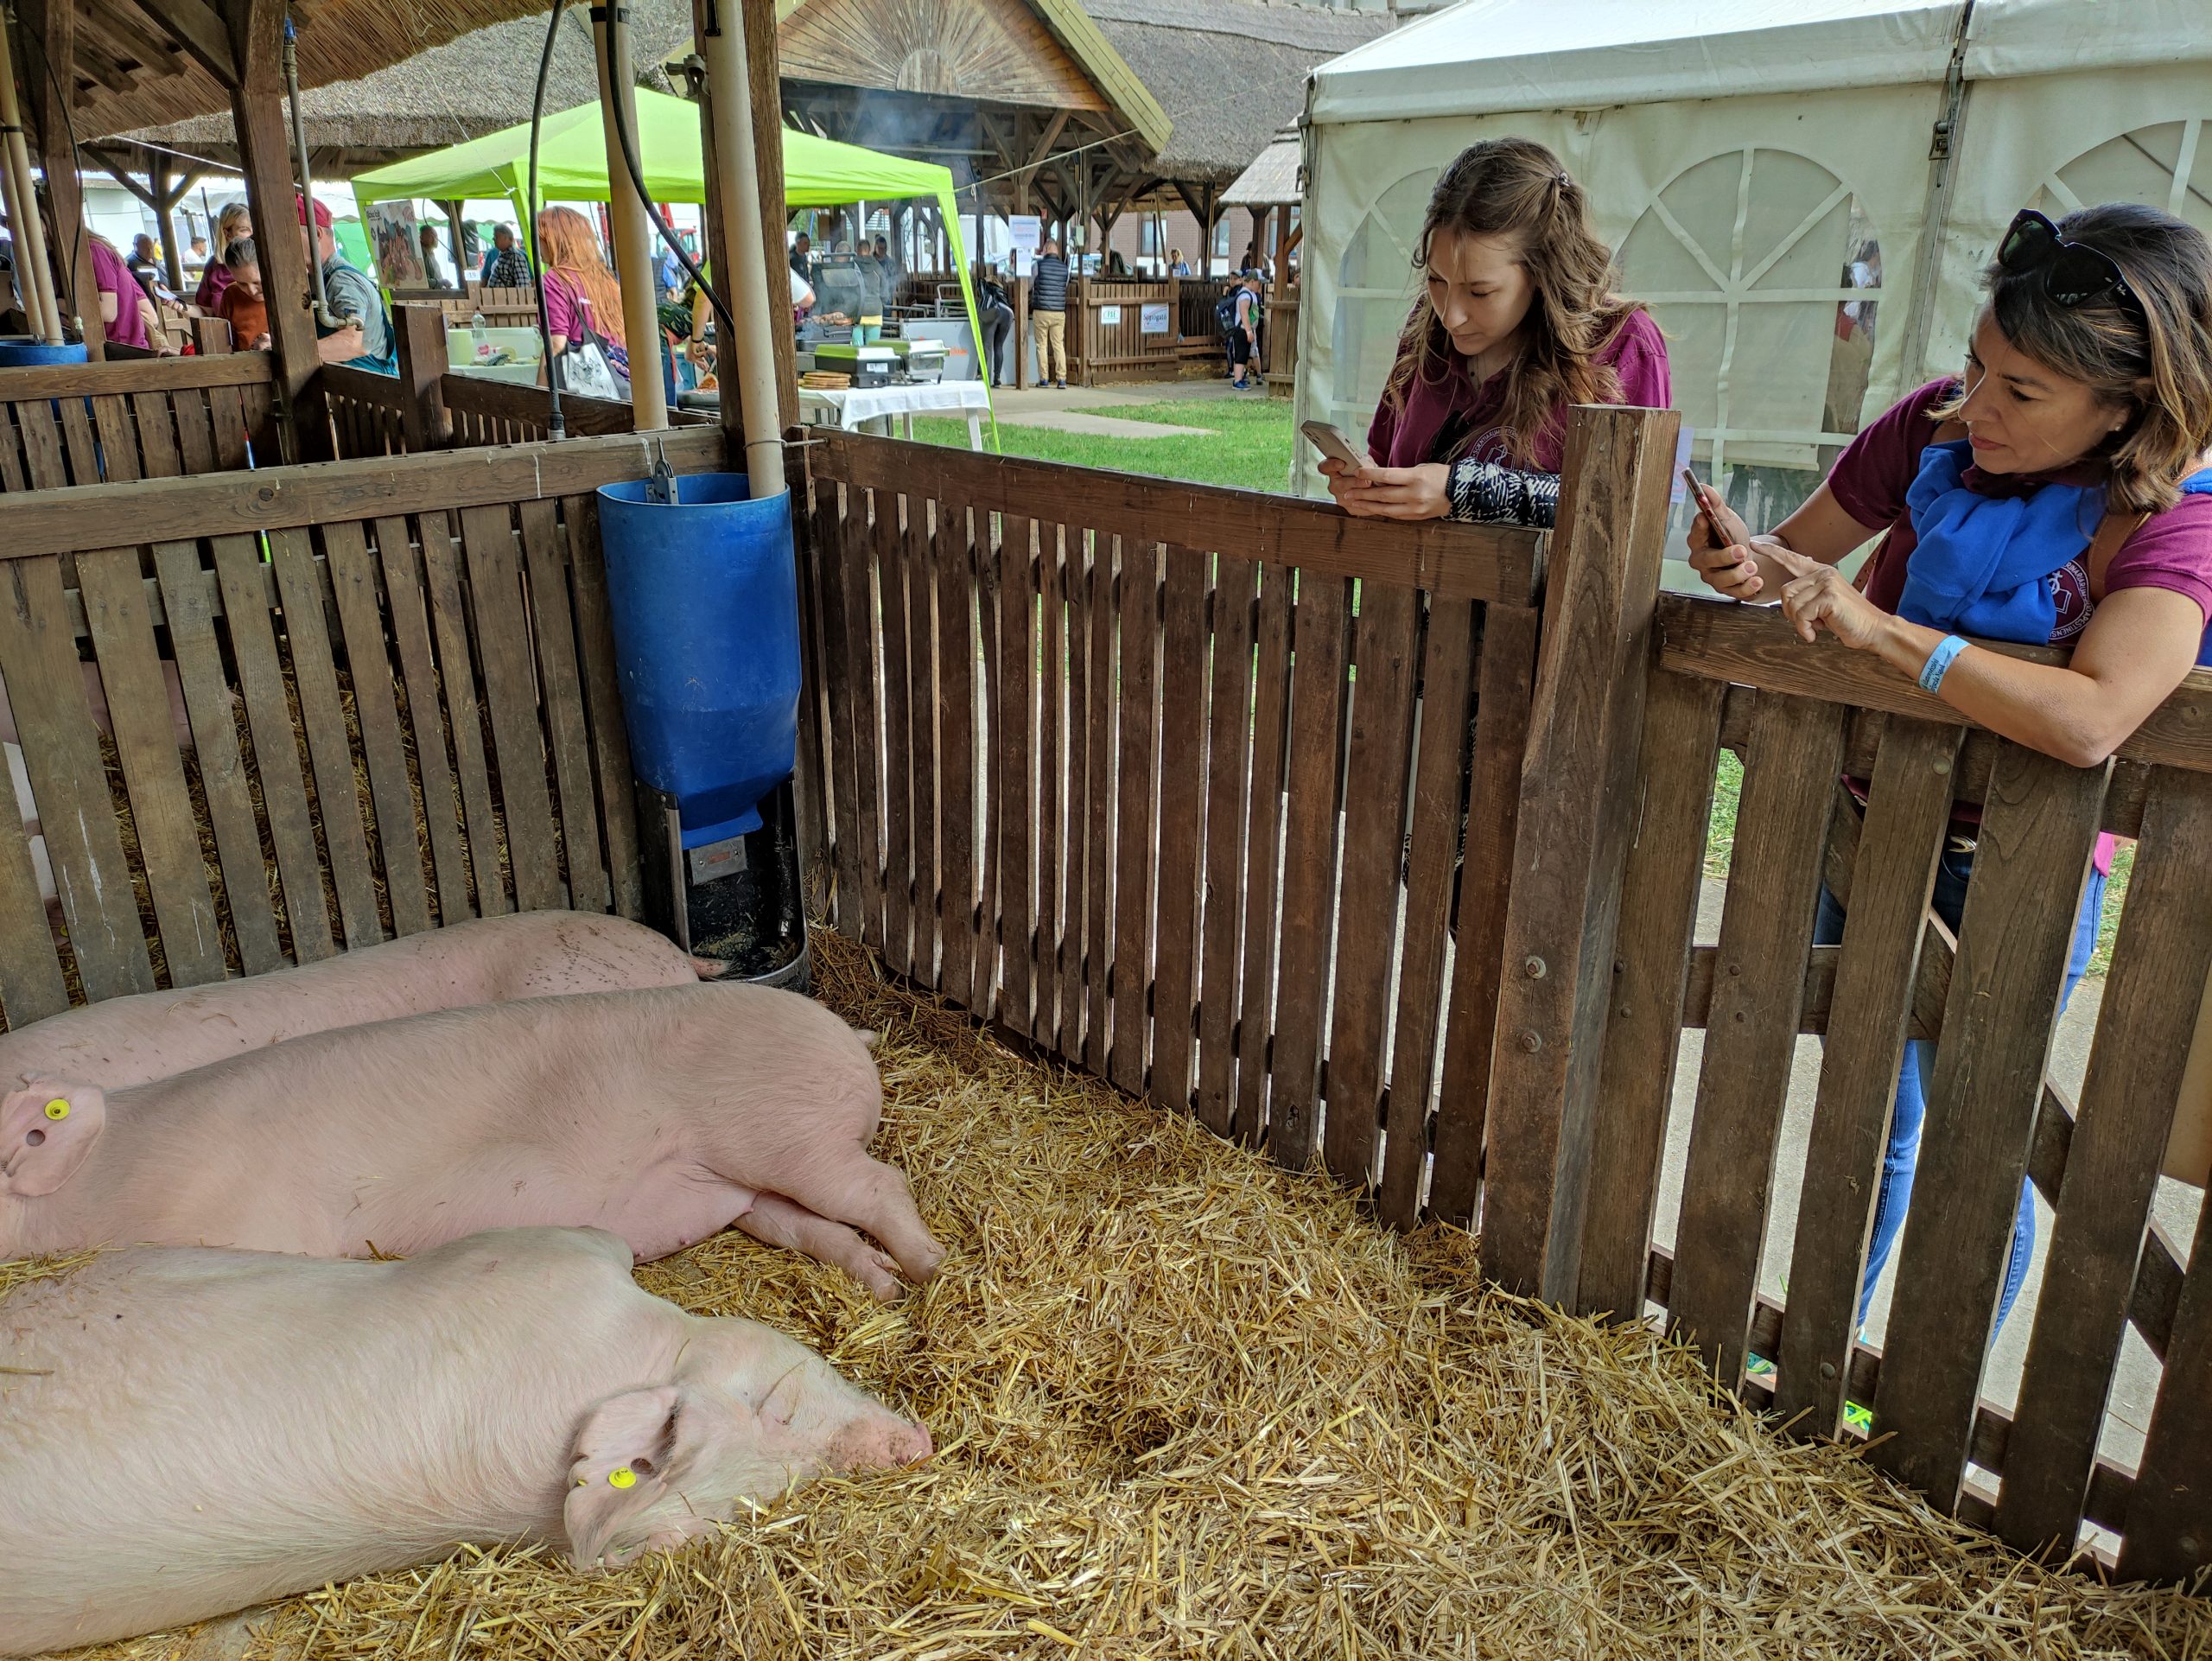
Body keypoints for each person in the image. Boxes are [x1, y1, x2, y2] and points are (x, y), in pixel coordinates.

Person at [1687, 201, 2212, 1341]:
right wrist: (1744, 561)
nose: (1974, 406)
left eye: (2020, 390)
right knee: (1870, 1112)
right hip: (1866, 819)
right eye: (1976, 365)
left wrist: (1886, 635)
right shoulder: (1935, 428)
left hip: (2016, 866)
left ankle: (1925, 1391)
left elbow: (2093, 719)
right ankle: (1824, 1363)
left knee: (1980, 1145)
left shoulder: (2174, 521)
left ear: (2128, 408)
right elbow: (1797, 559)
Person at [1322, 137, 1669, 528]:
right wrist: (1370, 488)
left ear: (1543, 273)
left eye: (1480, 292)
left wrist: (1463, 492)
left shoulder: (1623, 343)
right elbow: (1385, 456)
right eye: (1436, 280)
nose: (1450, 317)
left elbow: (1630, 510)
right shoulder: (1427, 327)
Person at [535, 205, 632, 394]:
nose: (538, 246)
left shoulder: (554, 280)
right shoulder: (605, 279)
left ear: (553, 239)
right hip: (621, 382)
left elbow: (555, 345)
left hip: (584, 388)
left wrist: (538, 397)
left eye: (540, 238)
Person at [298, 193, 395, 373]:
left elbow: (352, 343)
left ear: (317, 233)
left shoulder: (341, 280)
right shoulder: (316, 278)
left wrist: (292, 353)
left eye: (291, 236)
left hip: (371, 381)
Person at [89, 233, 168, 353]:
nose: (150, 251)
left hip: (123, 347)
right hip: (128, 345)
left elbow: (152, 318)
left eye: (151, 248)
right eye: (146, 247)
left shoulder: (97, 250)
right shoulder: (130, 263)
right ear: (135, 246)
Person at [215, 238, 271, 350]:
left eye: (257, 282)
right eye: (242, 284)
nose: (251, 291)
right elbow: (224, 348)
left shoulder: (290, 292)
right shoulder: (231, 294)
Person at [1030, 235, 1070, 389]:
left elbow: (1029, 285)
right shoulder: (1064, 268)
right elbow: (1064, 286)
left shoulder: (1038, 266)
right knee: (1058, 345)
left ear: (1046, 249)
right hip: (1059, 311)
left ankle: (1044, 379)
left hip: (1041, 310)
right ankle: (1062, 379)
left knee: (1041, 345)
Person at [194, 203, 250, 311]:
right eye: (244, 230)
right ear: (227, 234)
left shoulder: (264, 261)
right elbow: (205, 311)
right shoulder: (214, 265)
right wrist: (181, 306)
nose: (251, 234)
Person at [977, 264, 1014, 388]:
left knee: (986, 346)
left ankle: (982, 376)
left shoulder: (985, 287)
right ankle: (997, 379)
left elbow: (979, 288)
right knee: (998, 346)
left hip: (994, 311)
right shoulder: (1000, 291)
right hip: (1008, 313)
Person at [1229, 270, 1262, 390]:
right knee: (1241, 355)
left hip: (1245, 330)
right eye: (1259, 283)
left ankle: (1240, 378)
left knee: (1243, 355)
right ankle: (1237, 381)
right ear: (1252, 281)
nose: (1260, 286)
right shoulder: (1245, 295)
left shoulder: (1250, 293)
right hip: (1242, 330)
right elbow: (1244, 314)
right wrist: (1248, 331)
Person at [479, 223, 531, 290]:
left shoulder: (516, 257)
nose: (493, 239)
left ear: (505, 238)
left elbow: (523, 287)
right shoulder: (502, 255)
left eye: (496, 236)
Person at [417, 223, 454, 289]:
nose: (435, 238)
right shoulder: (421, 254)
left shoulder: (430, 253)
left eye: (435, 235)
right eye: (431, 235)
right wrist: (442, 282)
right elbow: (423, 281)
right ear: (421, 238)